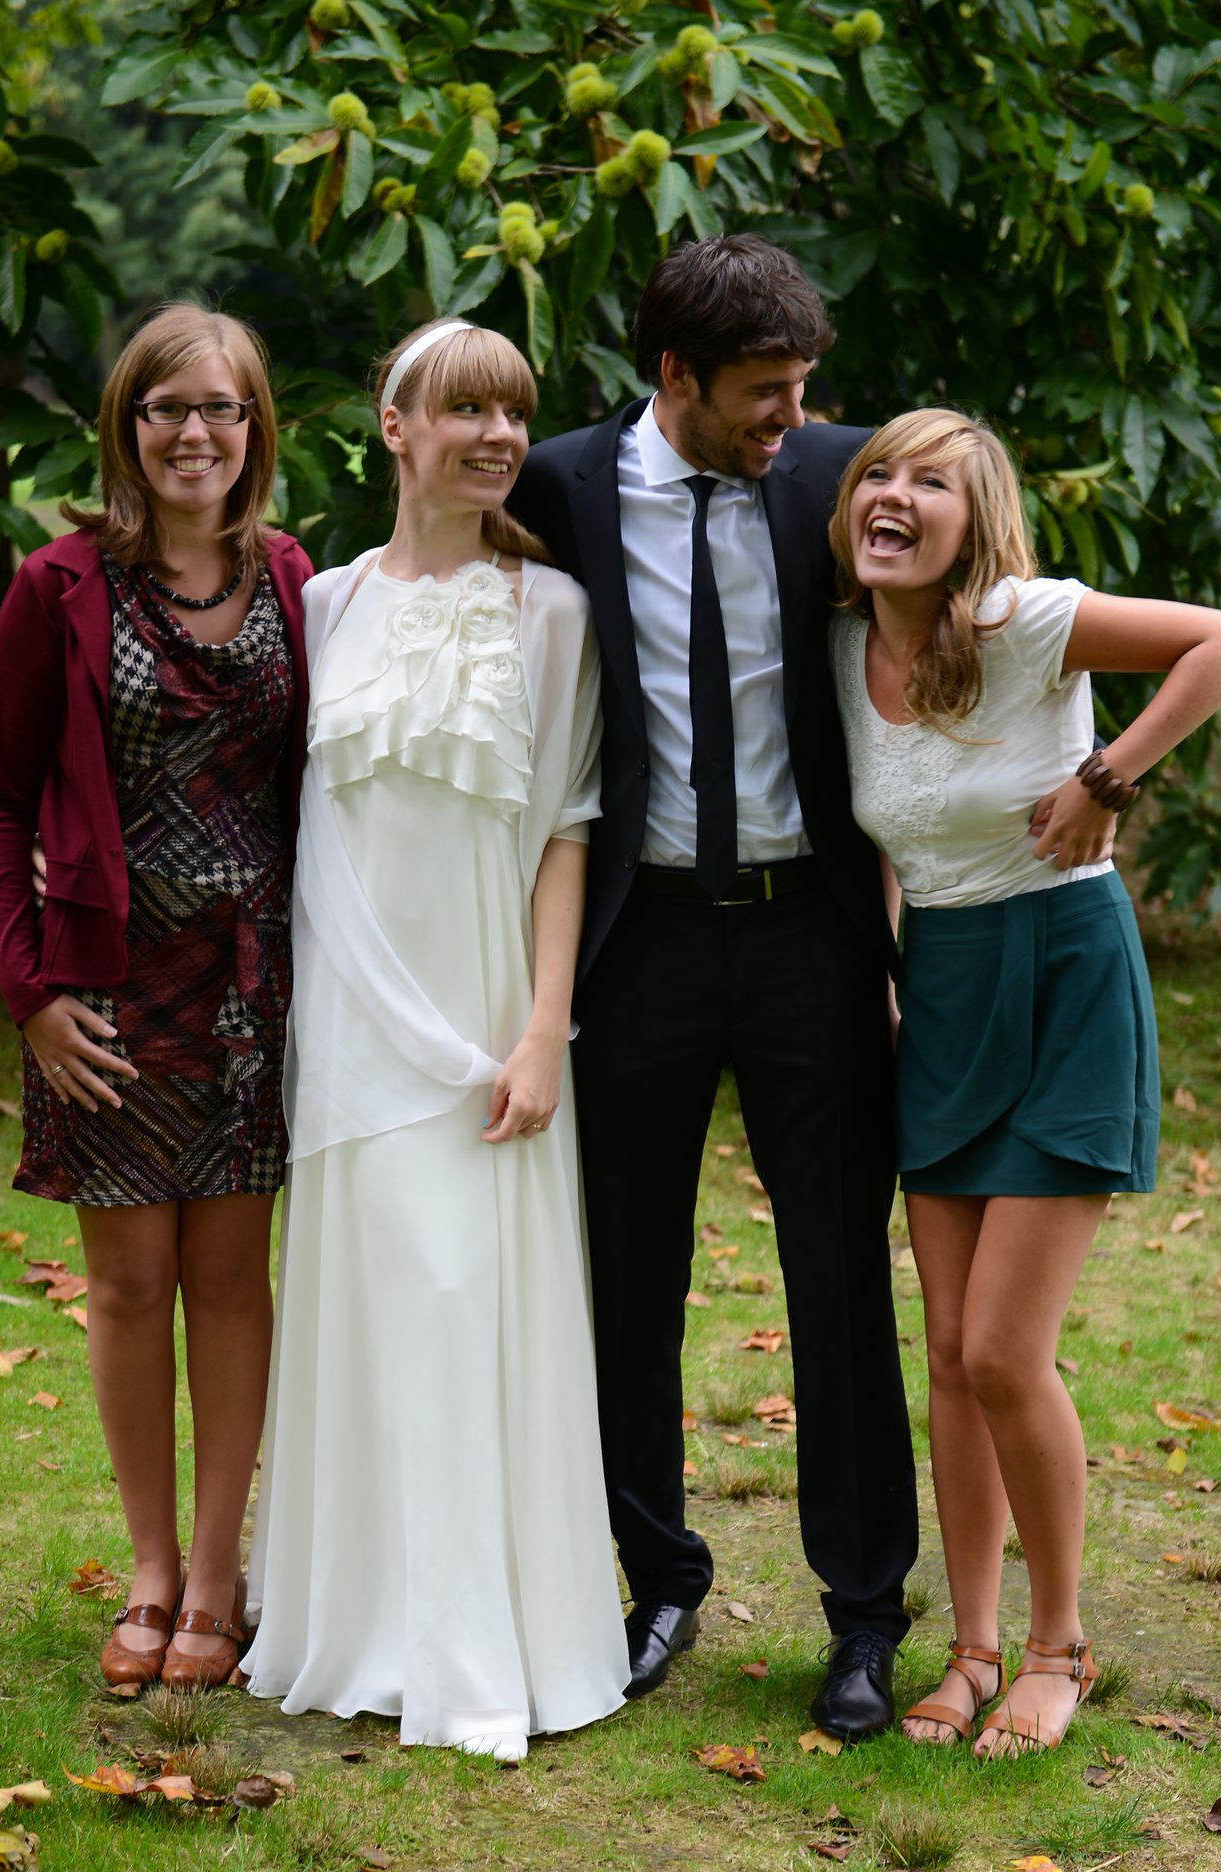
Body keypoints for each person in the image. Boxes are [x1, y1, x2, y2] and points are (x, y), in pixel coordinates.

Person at [508, 234, 918, 1738]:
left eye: (803, 386)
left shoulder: (843, 472)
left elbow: (971, 605)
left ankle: (865, 1612)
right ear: (672, 379)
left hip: (811, 931)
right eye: (761, 392)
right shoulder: (553, 485)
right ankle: (656, 1572)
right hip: (642, 940)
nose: (790, 418)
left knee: (838, 1276)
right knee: (625, 1277)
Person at [241, 319, 629, 1762]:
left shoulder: (556, 614)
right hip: (347, 1011)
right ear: (393, 426)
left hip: (484, 1012)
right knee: (370, 1299)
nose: (493, 436)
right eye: (461, 409)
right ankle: (354, 1622)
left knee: (469, 1297)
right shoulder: (325, 602)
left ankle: (483, 1638)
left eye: (512, 414)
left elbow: (568, 834)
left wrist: (541, 1030)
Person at [826, 406, 1221, 1754]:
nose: (892, 495)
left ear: (974, 520)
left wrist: (1109, 774)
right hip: (940, 990)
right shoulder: (842, 649)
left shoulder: (1025, 619)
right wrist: (887, 969)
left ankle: (1062, 1645)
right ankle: (978, 1647)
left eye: (929, 482)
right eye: (878, 471)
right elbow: (891, 826)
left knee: (1004, 1345)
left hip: (1062, 971)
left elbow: (1215, 642)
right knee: (947, 1354)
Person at [0, 303, 312, 1690]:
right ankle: (152, 1571)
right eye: (167, 408)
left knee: (231, 1283)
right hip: (105, 993)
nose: (194, 433)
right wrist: (30, 994)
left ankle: (223, 1577)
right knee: (126, 1287)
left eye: (221, 408)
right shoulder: (55, 584)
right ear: (128, 426)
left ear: (254, 429)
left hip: (252, 988)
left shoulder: (295, 576)